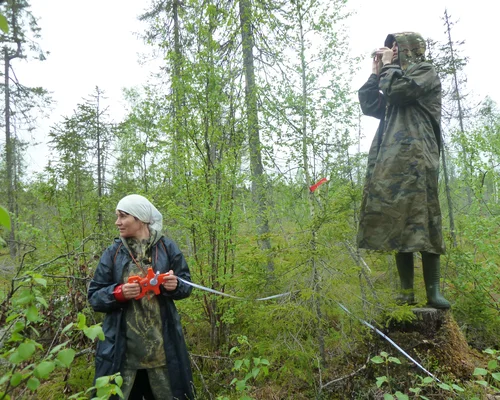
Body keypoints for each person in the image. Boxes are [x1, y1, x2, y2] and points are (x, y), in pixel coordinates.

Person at [357, 32, 451, 309]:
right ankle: (406, 292)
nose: (392, 50)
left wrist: (388, 69)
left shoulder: (425, 71)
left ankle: (433, 291)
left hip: (419, 156)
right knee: (399, 220)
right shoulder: (392, 76)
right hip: (392, 159)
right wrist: (376, 74)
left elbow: (399, 93)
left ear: (411, 48)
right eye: (390, 46)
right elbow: (370, 105)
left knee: (426, 218)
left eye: (396, 45)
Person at [88, 194, 195, 399]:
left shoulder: (167, 247)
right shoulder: (113, 253)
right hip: (122, 355)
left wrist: (174, 285)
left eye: (123, 216)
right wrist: (119, 293)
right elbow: (94, 296)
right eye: (117, 216)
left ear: (140, 218)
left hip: (162, 352)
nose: (117, 222)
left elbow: (186, 285)